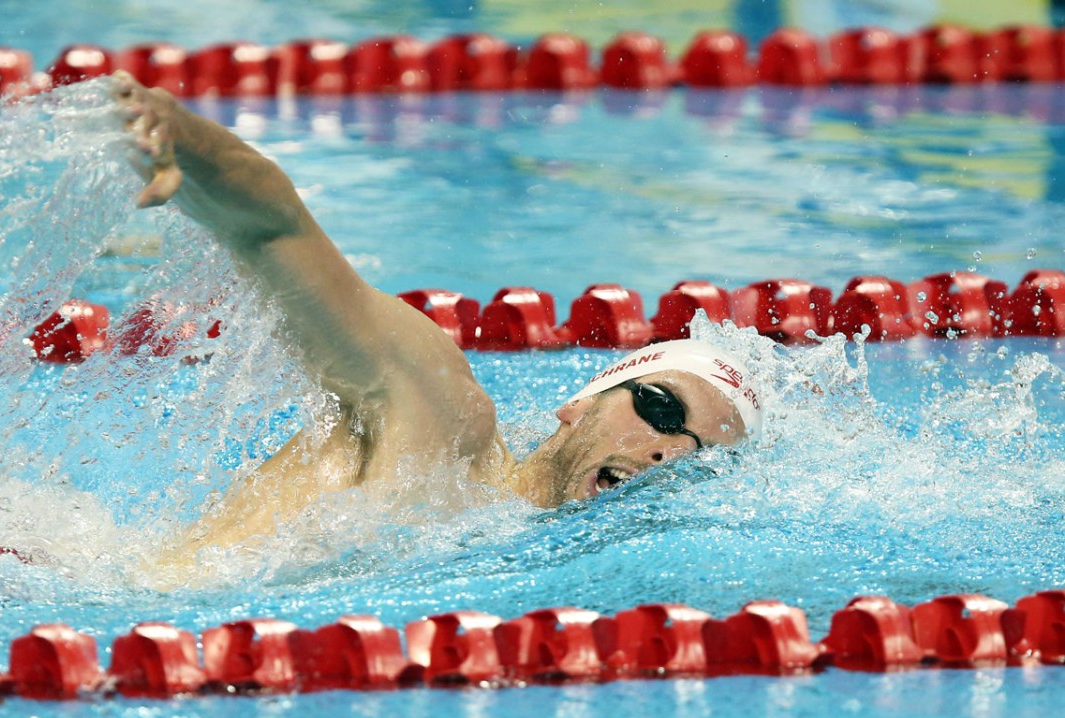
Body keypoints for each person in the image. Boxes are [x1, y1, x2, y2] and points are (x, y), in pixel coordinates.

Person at [112, 72, 762, 559]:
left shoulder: (507, 543)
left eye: (694, 455)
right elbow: (276, 231)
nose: (665, 449)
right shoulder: (446, 428)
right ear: (579, 404)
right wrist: (183, 137)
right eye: (660, 407)